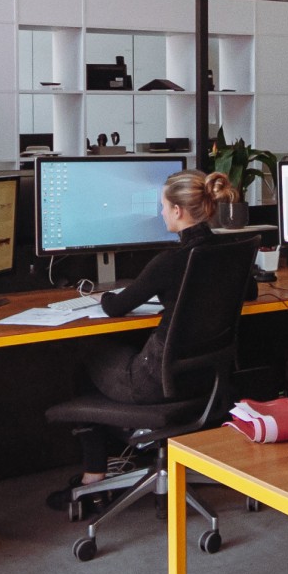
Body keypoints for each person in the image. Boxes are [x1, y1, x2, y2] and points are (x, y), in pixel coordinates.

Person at [71, 169, 241, 481]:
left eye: (163, 206)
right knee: (126, 348)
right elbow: (250, 289)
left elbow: (115, 308)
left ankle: (93, 471)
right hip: (207, 379)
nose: (161, 213)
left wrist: (102, 294)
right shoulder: (231, 251)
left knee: (85, 348)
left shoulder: (169, 261)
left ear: (177, 211)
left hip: (155, 382)